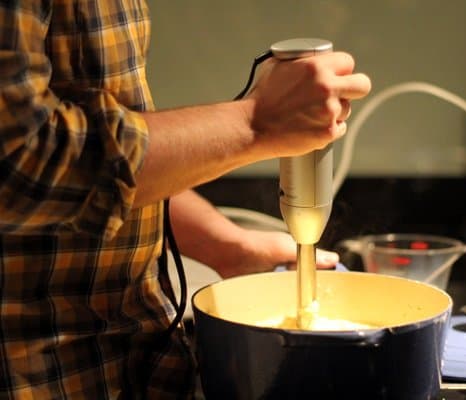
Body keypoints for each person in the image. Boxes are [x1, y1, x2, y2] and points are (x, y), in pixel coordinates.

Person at [0, 1, 371, 399]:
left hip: (140, 369)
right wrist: (257, 122)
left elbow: (112, 167)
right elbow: (21, 164)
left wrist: (228, 247)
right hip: (44, 379)